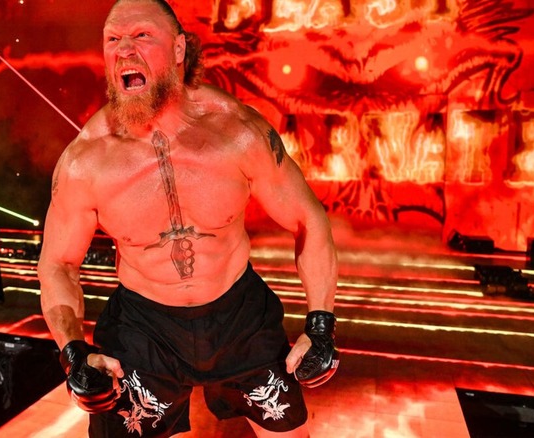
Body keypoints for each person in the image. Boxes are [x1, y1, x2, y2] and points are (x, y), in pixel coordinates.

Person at [38, 1, 339, 437]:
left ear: (179, 49)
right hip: (144, 325)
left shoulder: (237, 132)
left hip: (238, 314)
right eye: (112, 40)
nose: (124, 50)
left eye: (141, 35)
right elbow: (58, 263)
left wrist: (321, 325)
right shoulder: (86, 162)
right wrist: (73, 354)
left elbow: (308, 220)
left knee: (292, 432)